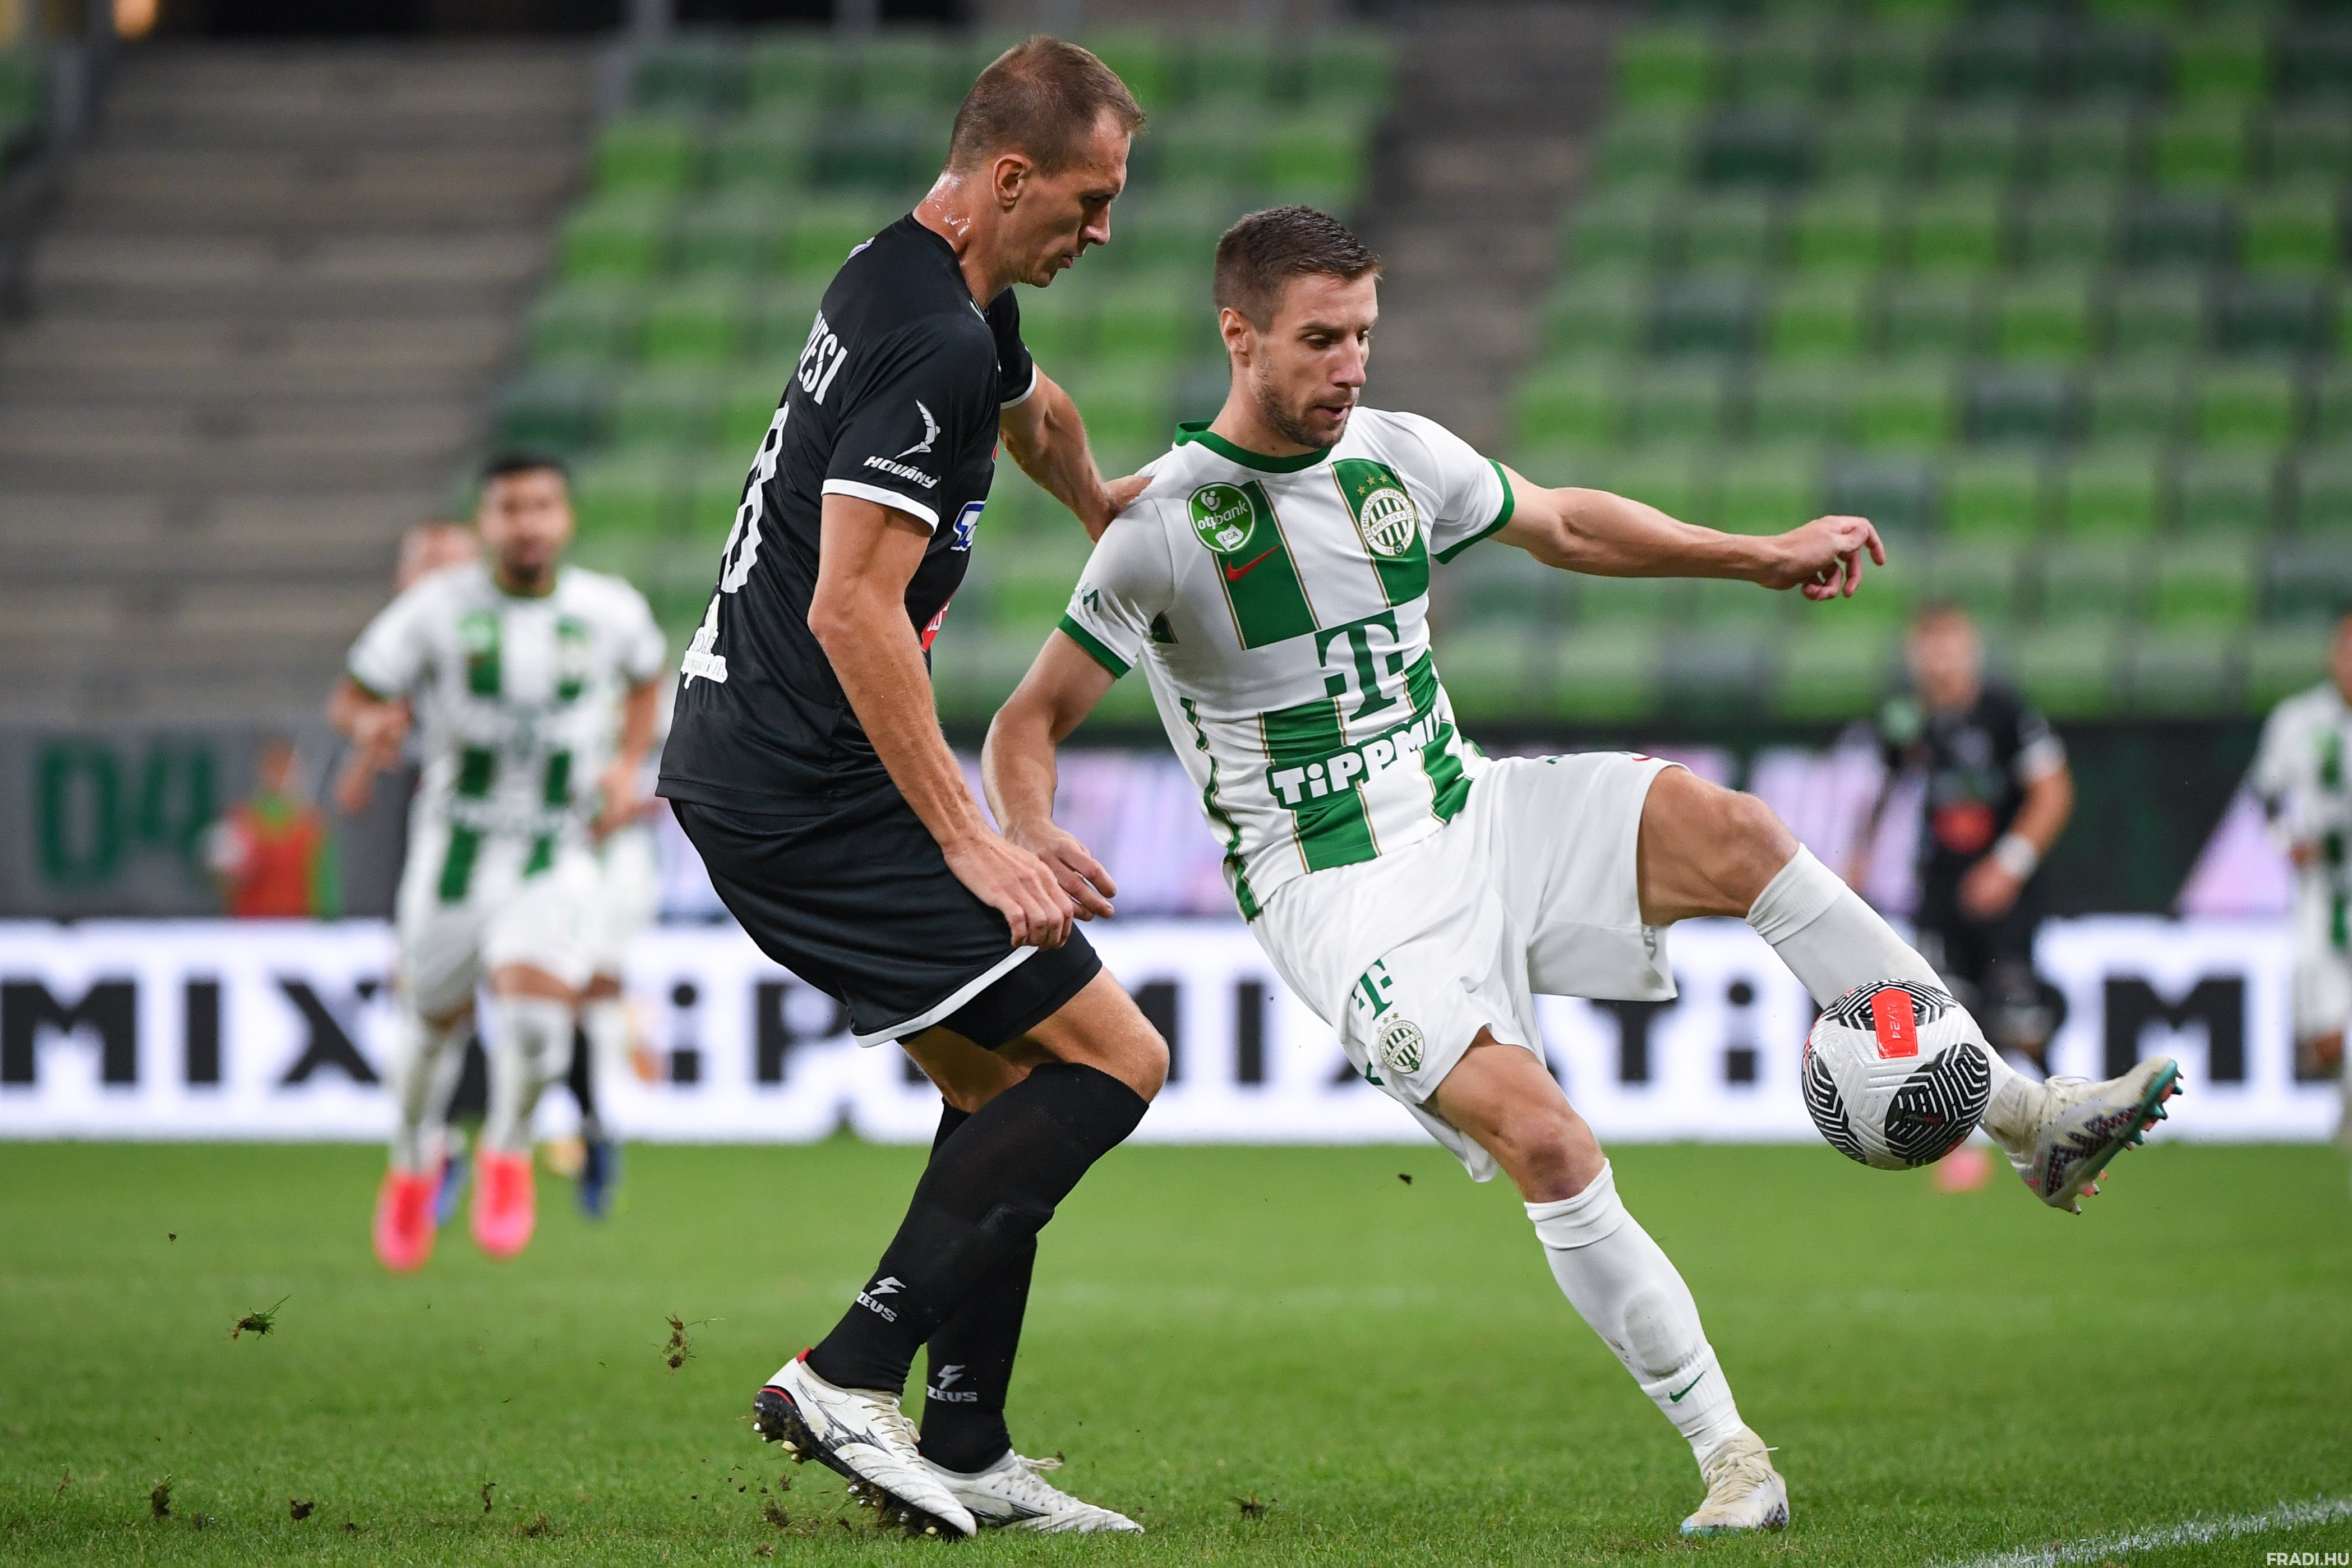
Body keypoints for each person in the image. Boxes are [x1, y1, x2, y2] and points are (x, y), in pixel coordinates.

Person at [981, 206, 2183, 1538]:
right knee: (1550, 1140)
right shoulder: (1164, 525)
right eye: (1321, 340)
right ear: (1240, 336)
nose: (1351, 366)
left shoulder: (1397, 457)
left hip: (1474, 809)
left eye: (1364, 335)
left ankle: (2030, 1120)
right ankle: (1733, 1456)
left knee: (1736, 831)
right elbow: (1026, 723)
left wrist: (1755, 554)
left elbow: (1564, 525)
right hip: (1343, 897)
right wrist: (1028, 829)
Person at [657, 38, 1163, 1539]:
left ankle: (964, 1442)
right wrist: (976, 838)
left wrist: (1101, 507)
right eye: (1088, 199)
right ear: (1008, 178)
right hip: (803, 785)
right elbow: (849, 608)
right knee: (1115, 1057)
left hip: (755, 763)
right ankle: (847, 1372)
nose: (1104, 230)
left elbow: (1036, 407)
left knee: (999, 1082)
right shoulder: (935, 338)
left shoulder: (920, 281)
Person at [330, 454, 665, 1272]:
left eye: (542, 506)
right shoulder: (436, 609)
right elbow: (353, 693)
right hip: (455, 848)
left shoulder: (608, 609)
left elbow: (647, 680)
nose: (527, 523)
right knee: (429, 1030)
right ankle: (413, 1157)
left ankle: (507, 1151)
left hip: (554, 850)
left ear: (566, 519)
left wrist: (626, 764)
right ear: (486, 523)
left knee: (541, 1026)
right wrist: (368, 727)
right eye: (510, 508)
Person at [1851, 603, 2077, 1073]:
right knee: (1936, 1014)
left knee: (2016, 1017)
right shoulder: (1906, 717)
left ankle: (2054, 1100)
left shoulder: (2005, 714)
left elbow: (2054, 790)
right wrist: (1859, 857)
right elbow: (1883, 787)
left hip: (2005, 889)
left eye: (1949, 647)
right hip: (1941, 884)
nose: (1940, 662)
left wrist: (2008, 865)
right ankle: (1947, 1118)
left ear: (1971, 650)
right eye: (1929, 648)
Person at [2249, 609, 2352, 1147]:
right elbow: (2266, 792)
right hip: (2323, 894)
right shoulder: (2299, 719)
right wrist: (2287, 841)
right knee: (2324, 1042)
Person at [206, 733, 339, 919]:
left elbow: (326, 891)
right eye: (273, 766)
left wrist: (328, 928)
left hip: (298, 930)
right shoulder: (240, 822)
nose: (279, 774)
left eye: (285, 766)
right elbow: (223, 883)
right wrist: (234, 871)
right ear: (261, 769)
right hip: (249, 929)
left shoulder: (313, 825)